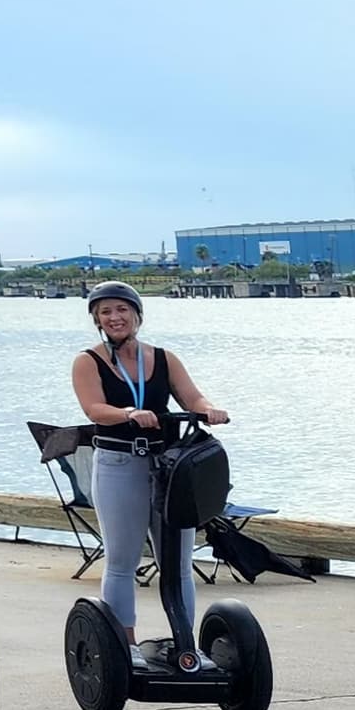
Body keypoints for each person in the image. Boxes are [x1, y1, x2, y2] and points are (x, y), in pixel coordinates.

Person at [67, 280, 228, 667]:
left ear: (136, 315)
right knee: (122, 559)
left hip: (169, 468)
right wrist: (127, 413)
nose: (114, 318)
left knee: (178, 560)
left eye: (121, 310)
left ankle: (185, 646)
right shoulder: (87, 361)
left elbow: (192, 397)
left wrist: (209, 409)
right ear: (97, 321)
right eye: (105, 312)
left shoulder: (164, 358)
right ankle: (126, 647)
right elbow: (94, 409)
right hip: (119, 463)